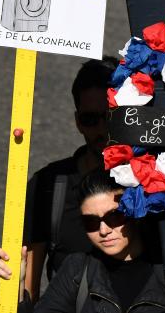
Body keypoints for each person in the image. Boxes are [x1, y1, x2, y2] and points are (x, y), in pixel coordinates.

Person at [0, 170, 165, 313]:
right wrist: (15, 290)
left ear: (134, 212)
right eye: (91, 222)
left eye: (114, 216)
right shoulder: (77, 269)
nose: (103, 230)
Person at [15, 57, 117, 301]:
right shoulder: (48, 186)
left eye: (110, 116)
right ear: (77, 122)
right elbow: (29, 290)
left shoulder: (154, 182)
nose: (101, 129)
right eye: (90, 119)